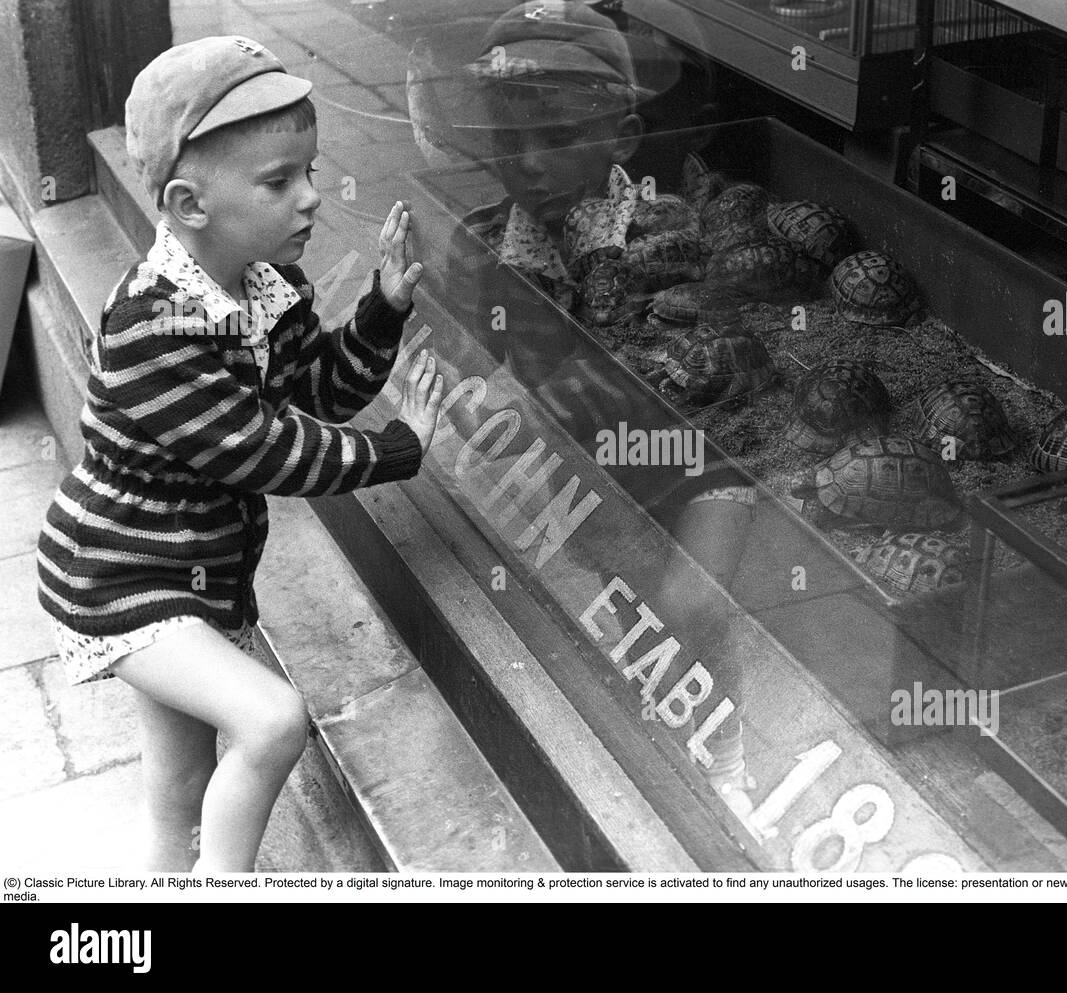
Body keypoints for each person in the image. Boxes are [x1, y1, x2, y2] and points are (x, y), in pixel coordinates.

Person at [35, 36, 445, 873]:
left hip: (196, 576)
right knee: (270, 719)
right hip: (122, 574)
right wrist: (393, 451)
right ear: (190, 203)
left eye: (311, 172)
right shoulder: (156, 324)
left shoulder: (264, 290)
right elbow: (262, 449)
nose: (311, 200)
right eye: (278, 182)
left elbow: (317, 392)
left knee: (181, 785)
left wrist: (382, 311)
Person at [410, 2, 759, 815]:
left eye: (558, 139)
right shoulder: (487, 235)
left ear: (623, 141)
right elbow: (468, 342)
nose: (528, 163)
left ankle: (728, 756)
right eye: (508, 139)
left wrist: (534, 408)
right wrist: (453, 376)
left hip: (699, 462)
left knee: (691, 602)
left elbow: (649, 368)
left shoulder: (662, 237)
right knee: (612, 605)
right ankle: (637, 724)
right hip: (587, 472)